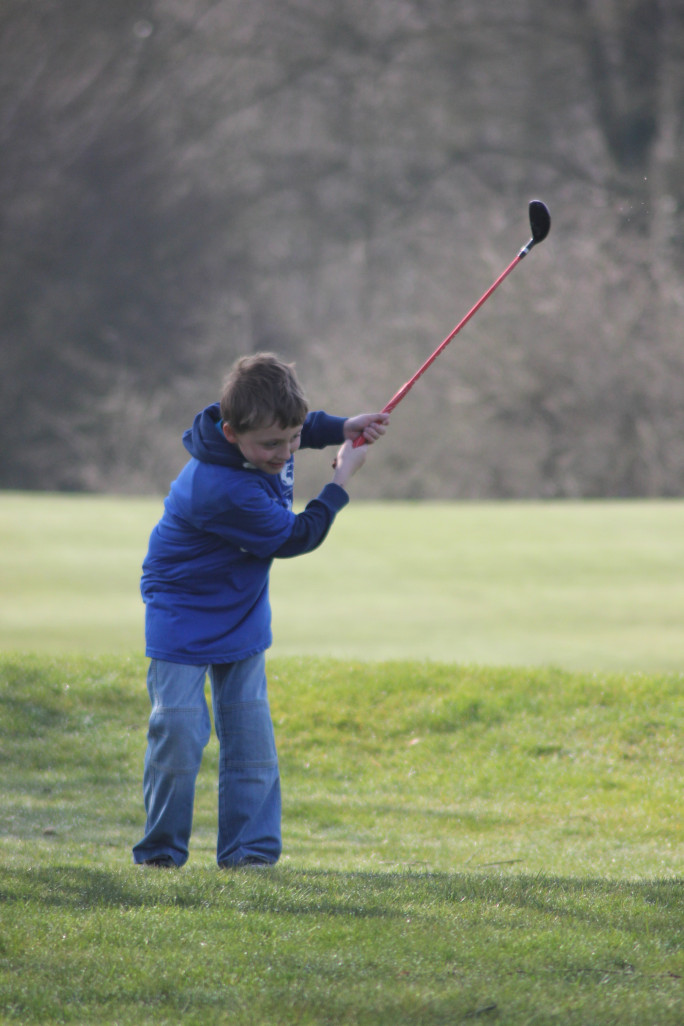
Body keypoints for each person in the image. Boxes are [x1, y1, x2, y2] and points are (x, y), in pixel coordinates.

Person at [132, 352, 389, 868]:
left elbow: (296, 424)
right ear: (230, 434)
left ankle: (249, 857)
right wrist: (341, 479)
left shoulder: (264, 434)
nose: (286, 451)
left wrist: (342, 426)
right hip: (182, 609)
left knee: (250, 739)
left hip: (240, 603)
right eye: (272, 444)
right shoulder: (220, 488)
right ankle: (160, 856)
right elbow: (297, 536)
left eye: (291, 439)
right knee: (178, 734)